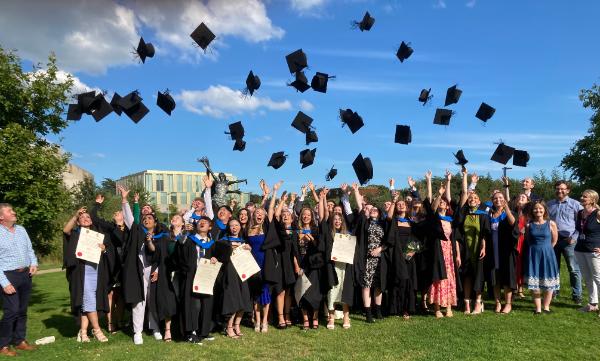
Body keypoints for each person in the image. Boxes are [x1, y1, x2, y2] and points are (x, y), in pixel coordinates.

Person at [63, 206, 114, 343]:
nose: (85, 219)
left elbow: (107, 251)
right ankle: (97, 329)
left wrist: (104, 249)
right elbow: (65, 230)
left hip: (96, 271)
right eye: (82, 218)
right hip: (81, 271)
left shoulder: (97, 235)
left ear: (91, 221)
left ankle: (83, 332)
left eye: (88, 217)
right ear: (78, 222)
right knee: (89, 299)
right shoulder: (75, 233)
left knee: (88, 300)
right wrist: (75, 215)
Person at [0, 203, 38, 356]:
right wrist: (4, 282)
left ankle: (20, 340)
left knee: (22, 310)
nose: (14, 212)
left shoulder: (21, 230)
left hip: (25, 275)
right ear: (1, 217)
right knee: (11, 311)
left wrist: (34, 263)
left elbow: (29, 250)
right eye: (10, 211)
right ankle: (3, 345)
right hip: (8, 276)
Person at [425, 171, 461, 319]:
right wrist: (432, 185)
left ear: (447, 206)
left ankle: (448, 306)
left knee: (449, 278)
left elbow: (455, 238)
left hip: (449, 251)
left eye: (444, 202)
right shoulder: (434, 218)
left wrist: (448, 181)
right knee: (438, 277)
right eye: (440, 201)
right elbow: (431, 206)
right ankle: (437, 307)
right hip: (437, 250)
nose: (442, 203)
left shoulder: (450, 219)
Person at [455, 168, 489, 315]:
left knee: (478, 276)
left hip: (478, 249)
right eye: (470, 198)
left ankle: (478, 303)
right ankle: (467, 303)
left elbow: (485, 234)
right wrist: (466, 178)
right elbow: (458, 234)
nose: (472, 199)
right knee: (467, 275)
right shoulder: (463, 213)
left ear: (479, 202)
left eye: (475, 198)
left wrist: (483, 247)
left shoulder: (483, 215)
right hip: (466, 249)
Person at [352, 183, 387, 323]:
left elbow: (389, 240)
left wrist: (380, 249)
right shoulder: (365, 223)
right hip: (366, 258)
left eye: (375, 209)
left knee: (378, 285)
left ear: (378, 212)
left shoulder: (383, 224)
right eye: (370, 209)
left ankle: (378, 310)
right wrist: (356, 191)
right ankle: (368, 313)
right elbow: (361, 208)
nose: (372, 210)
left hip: (379, 258)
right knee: (366, 284)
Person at [322, 188, 355, 329]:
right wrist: (323, 198)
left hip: (345, 266)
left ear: (342, 221)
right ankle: (331, 318)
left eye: (339, 219)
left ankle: (346, 317)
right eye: (334, 219)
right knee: (332, 291)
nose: (337, 221)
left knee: (345, 291)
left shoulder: (347, 234)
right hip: (332, 266)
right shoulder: (328, 233)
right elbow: (322, 215)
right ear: (332, 221)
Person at [547, 180, 583, 304]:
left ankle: (577, 294)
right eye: (557, 188)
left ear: (568, 190)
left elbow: (582, 224)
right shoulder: (549, 204)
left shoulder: (576, 204)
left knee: (573, 269)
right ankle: (553, 293)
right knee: (553, 268)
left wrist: (574, 237)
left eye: (562, 189)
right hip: (553, 241)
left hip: (569, 241)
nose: (560, 191)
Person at [524, 201, 560, 314]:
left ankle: (546, 307)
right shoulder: (529, 225)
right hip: (534, 254)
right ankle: (538, 309)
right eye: (535, 209)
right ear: (532, 211)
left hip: (548, 255)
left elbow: (554, 240)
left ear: (544, 210)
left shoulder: (551, 224)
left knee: (548, 282)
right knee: (535, 282)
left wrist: (546, 249)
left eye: (540, 208)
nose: (538, 211)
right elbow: (528, 240)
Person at [219, 219, 252, 338]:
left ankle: (237, 325)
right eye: (232, 225)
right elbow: (220, 257)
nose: (234, 227)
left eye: (236, 225)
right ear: (228, 228)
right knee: (233, 300)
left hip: (242, 272)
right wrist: (229, 249)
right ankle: (229, 327)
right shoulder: (223, 241)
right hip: (230, 272)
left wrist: (249, 249)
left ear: (240, 227)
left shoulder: (243, 241)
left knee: (244, 298)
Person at [487, 190, 518, 314]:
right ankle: (497, 303)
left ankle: (508, 304)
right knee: (495, 278)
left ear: (505, 199)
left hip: (506, 250)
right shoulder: (490, 214)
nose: (498, 200)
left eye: (500, 198)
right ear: (492, 201)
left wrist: (507, 208)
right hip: (493, 249)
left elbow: (513, 223)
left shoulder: (509, 213)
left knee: (506, 278)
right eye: (495, 198)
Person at [574, 190, 600, 313]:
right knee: (588, 278)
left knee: (598, 278)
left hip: (594, 250)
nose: (582, 197)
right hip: (580, 249)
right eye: (582, 195)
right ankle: (593, 304)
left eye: (585, 196)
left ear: (592, 200)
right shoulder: (580, 213)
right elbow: (579, 229)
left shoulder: (598, 213)